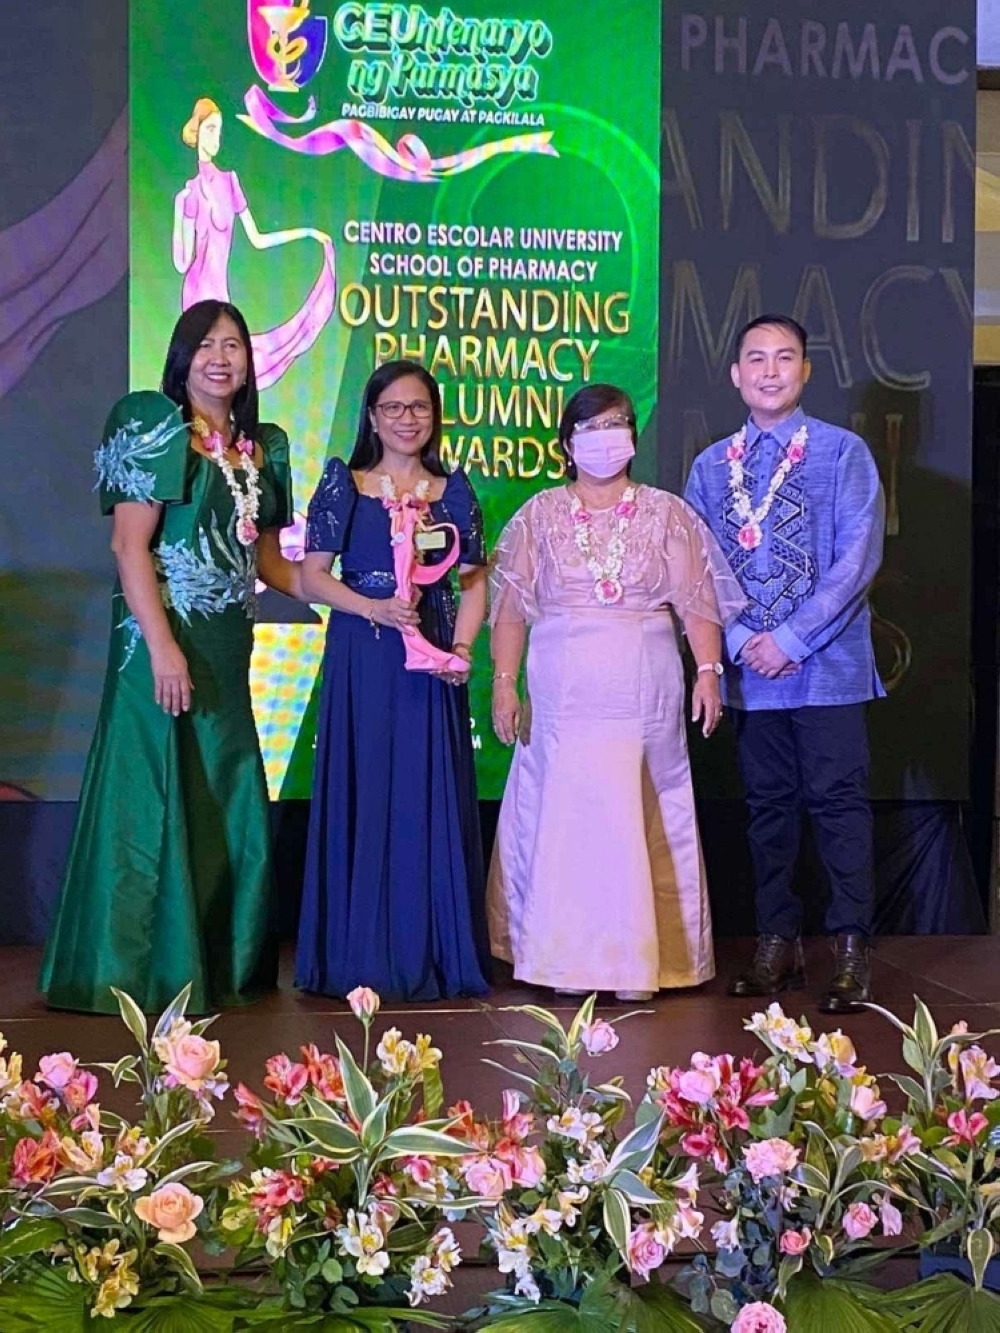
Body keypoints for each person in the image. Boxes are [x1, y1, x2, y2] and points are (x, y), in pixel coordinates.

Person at [40, 299, 299, 1013]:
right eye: (206, 344)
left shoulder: (261, 447)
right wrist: (162, 649)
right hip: (162, 643)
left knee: (220, 793)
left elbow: (276, 568)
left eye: (235, 345)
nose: (222, 357)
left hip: (224, 648)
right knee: (153, 795)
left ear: (251, 361)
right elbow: (129, 548)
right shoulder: (155, 426)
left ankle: (214, 964)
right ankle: (133, 971)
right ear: (183, 357)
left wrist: (367, 601)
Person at [487, 384, 745, 1002]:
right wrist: (503, 683)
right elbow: (512, 610)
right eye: (592, 426)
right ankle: (556, 956)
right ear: (568, 442)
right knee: (565, 807)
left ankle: (652, 959)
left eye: (617, 424)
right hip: (562, 688)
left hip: (644, 681)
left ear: (632, 436)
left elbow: (696, 598)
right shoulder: (538, 513)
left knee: (644, 803)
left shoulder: (667, 512)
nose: (606, 437)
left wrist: (709, 669)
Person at [684, 314, 885, 1014]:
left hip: (827, 669)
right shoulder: (710, 467)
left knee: (838, 806)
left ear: (805, 371)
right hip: (748, 673)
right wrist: (740, 641)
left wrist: (792, 639)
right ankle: (776, 943)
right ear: (736, 373)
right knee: (767, 810)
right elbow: (697, 566)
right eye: (756, 359)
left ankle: (850, 949)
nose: (770, 370)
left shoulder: (844, 452)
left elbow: (857, 559)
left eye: (785, 358)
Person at [296, 360, 491, 1001]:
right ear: (373, 417)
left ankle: (428, 947)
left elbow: (473, 581)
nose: (407, 419)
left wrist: (460, 648)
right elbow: (311, 577)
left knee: (423, 792)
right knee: (369, 787)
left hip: (428, 661)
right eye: (394, 408)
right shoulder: (343, 484)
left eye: (419, 408)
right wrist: (372, 607)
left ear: (434, 417)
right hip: (365, 652)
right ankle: (361, 957)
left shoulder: (452, 491)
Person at [173, 97, 336, 390]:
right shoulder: (190, 194)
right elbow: (183, 263)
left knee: (239, 368)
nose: (216, 139)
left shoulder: (230, 181)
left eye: (219, 131)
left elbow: (258, 239)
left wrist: (307, 232)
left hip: (220, 297)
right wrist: (181, 213)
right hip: (196, 299)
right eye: (210, 130)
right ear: (197, 133)